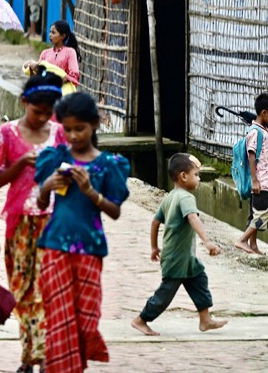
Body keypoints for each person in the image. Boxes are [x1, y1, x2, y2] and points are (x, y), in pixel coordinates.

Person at [35, 92, 130, 372]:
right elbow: (43, 203)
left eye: (80, 128)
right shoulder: (55, 158)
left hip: (90, 248)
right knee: (59, 316)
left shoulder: (109, 165)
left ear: (95, 125)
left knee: (85, 319)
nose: (74, 135)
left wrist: (91, 192)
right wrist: (46, 187)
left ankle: (71, 365)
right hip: (54, 246)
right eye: (68, 129)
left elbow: (114, 211)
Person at [0, 72, 66, 373]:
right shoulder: (7, 134)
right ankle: (29, 354)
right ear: (24, 103)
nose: (42, 118)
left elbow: (70, 175)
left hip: (53, 222)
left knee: (46, 290)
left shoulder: (59, 134)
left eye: (48, 113)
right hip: (20, 222)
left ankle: (41, 355)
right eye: (37, 112)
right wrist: (21, 163)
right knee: (21, 289)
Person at [131, 153, 228, 337]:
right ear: (184, 176)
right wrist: (207, 241)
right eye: (196, 175)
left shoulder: (170, 197)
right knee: (165, 294)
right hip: (176, 258)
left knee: (199, 279)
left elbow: (155, 222)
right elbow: (193, 217)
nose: (199, 179)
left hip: (185, 258)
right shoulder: (186, 198)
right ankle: (141, 319)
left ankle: (205, 319)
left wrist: (154, 247)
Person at [235, 93, 268, 254]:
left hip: (263, 181)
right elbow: (251, 155)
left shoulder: (262, 129)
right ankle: (242, 240)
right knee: (262, 215)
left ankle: (253, 244)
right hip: (261, 182)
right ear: (264, 113)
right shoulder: (256, 132)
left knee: (256, 213)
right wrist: (255, 180)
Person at [38, 20, 81, 89]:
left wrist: (57, 83)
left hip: (64, 91)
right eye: (50, 32)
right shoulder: (45, 53)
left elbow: (74, 74)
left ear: (63, 36)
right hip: (46, 90)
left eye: (53, 32)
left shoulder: (70, 52)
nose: (50, 35)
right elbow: (39, 72)